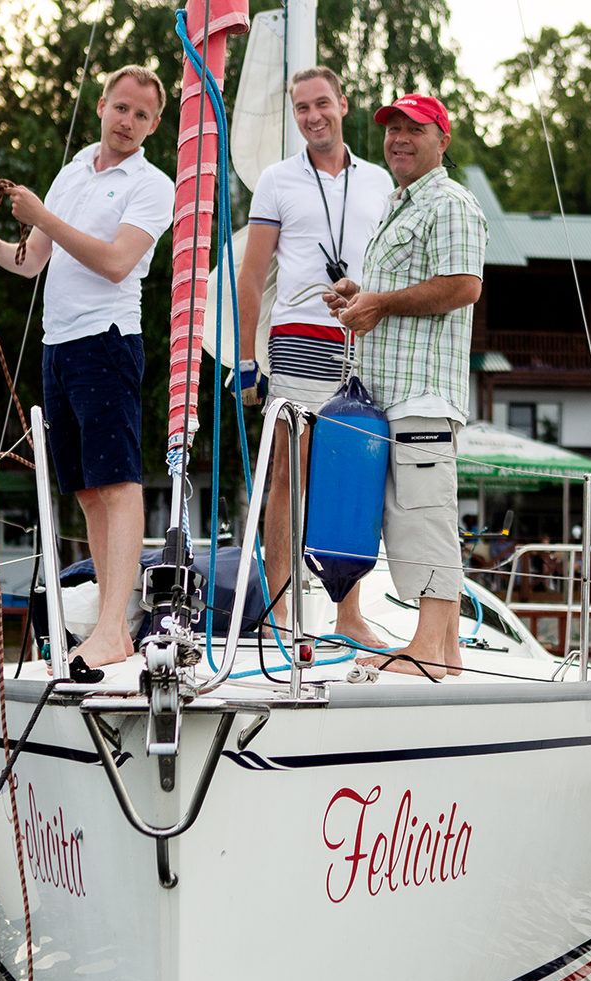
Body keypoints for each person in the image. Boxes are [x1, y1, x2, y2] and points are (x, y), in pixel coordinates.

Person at [0, 66, 174, 668]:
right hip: (59, 344)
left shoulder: (152, 185)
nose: (128, 122)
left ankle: (113, 627)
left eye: (142, 116)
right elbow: (33, 261)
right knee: (88, 491)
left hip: (108, 339)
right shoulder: (72, 171)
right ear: (102, 106)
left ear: (153, 125)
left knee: (119, 485)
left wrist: (42, 216)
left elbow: (117, 262)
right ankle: (111, 628)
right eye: (121, 108)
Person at [325, 93, 487, 679]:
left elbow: (464, 285)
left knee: (424, 516)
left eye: (414, 129)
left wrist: (381, 303)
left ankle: (426, 649)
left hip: (421, 395)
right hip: (390, 395)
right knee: (409, 517)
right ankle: (444, 650)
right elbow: (406, 290)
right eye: (392, 128)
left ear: (442, 140)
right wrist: (358, 295)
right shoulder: (402, 205)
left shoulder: (449, 202)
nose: (398, 137)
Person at [235, 66, 393, 648]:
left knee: (350, 476)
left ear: (343, 104)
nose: (313, 116)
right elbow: (251, 277)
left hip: (363, 341)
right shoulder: (277, 180)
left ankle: (348, 615)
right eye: (302, 108)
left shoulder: (379, 181)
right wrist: (248, 360)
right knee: (287, 476)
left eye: (321, 104)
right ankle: (279, 612)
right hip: (298, 335)